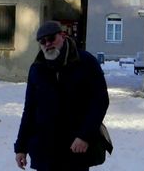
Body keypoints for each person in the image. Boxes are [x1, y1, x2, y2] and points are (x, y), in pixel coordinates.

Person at [14, 20, 110, 170]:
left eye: (51, 38)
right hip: (45, 149)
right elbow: (30, 110)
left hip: (75, 148)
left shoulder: (85, 63)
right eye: (42, 41)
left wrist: (84, 136)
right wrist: (21, 147)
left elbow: (100, 102)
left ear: (63, 36)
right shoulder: (37, 69)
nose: (47, 44)